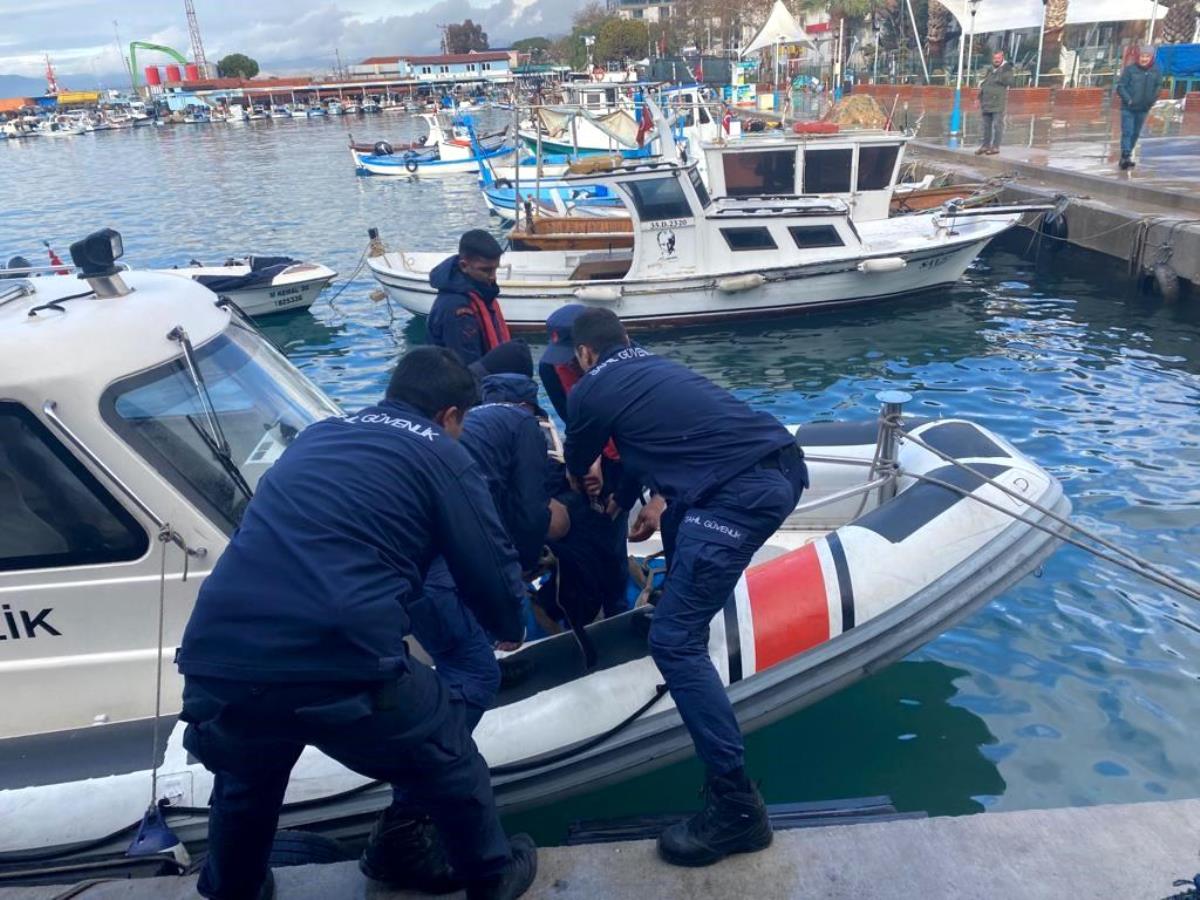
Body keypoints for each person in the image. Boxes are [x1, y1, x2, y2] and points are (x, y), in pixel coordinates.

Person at [175, 347, 537, 900]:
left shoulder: (319, 435)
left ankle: (233, 885)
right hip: (341, 652)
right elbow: (486, 558)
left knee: (248, 774)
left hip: (218, 650)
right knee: (445, 749)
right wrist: (509, 621)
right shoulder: (441, 451)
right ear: (451, 416)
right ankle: (490, 875)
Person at [562, 308, 808, 868]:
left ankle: (737, 809)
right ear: (627, 337)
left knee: (673, 643)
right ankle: (682, 606)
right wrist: (631, 500)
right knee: (676, 524)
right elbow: (649, 452)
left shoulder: (589, 389)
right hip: (779, 465)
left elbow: (582, 462)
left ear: (583, 355)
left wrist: (588, 488)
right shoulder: (657, 369)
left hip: (737, 495)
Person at [360, 368, 567, 889]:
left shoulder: (348, 429)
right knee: (474, 673)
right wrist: (512, 612)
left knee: (451, 658)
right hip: (431, 576)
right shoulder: (514, 432)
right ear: (452, 416)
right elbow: (513, 521)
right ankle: (413, 826)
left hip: (385, 579)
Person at [539, 304, 636, 623]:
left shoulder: (629, 368)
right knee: (590, 519)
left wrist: (624, 494)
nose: (568, 362)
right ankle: (581, 593)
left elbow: (639, 437)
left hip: (628, 451)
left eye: (573, 355)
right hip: (592, 449)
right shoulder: (550, 368)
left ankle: (617, 603)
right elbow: (573, 419)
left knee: (614, 518)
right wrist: (588, 461)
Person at [428, 229, 511, 367]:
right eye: (485, 270)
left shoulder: (482, 293)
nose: (492, 277)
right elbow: (466, 366)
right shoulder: (456, 309)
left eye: (495, 269)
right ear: (464, 266)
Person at [1117, 47, 1163, 170]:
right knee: (1128, 131)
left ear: (1151, 58)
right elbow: (1120, 87)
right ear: (1138, 57)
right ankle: (1125, 156)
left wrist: (1152, 100)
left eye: (1147, 57)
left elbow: (1158, 86)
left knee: (1136, 133)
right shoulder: (1130, 70)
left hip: (1143, 108)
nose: (1144, 59)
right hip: (1129, 108)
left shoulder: (1156, 71)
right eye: (1142, 56)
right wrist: (1129, 100)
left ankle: (1127, 155)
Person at [976, 51, 1013, 156]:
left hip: (998, 103)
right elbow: (984, 84)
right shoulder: (990, 69)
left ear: (1002, 58)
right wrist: (978, 98)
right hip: (986, 102)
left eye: (998, 58)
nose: (996, 60)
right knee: (986, 126)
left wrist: (1001, 72)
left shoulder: (1006, 69)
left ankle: (995, 147)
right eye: (994, 58)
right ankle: (985, 145)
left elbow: (1009, 82)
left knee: (997, 125)